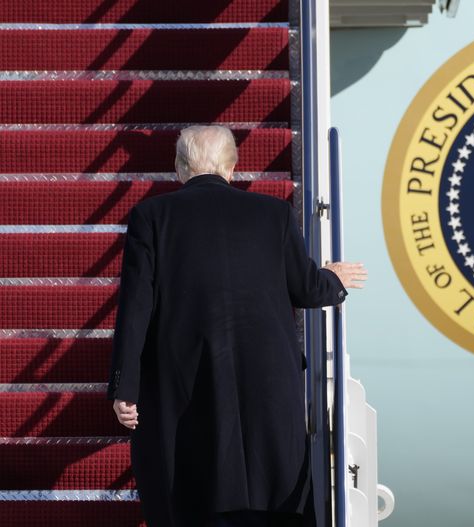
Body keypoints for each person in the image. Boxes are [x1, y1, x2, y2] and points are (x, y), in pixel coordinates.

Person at [106, 125, 367, 527]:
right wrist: (332, 278)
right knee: (271, 489)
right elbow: (306, 289)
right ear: (232, 168)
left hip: (187, 381)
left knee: (193, 489)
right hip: (266, 381)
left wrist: (125, 386)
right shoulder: (273, 213)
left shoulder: (151, 216)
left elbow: (136, 307)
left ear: (179, 169)